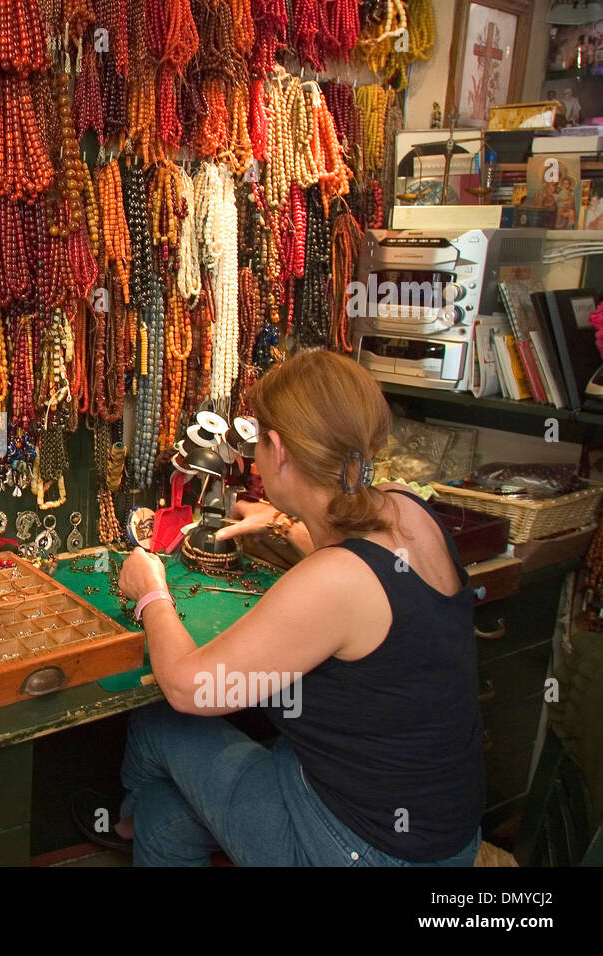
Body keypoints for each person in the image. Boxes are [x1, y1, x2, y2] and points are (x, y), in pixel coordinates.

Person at [114, 350, 485, 866]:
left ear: (280, 450)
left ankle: (122, 821)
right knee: (165, 812)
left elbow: (189, 687)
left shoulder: (335, 581)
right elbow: (367, 562)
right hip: (444, 838)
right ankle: (137, 821)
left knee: (160, 723)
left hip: (366, 849)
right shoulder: (407, 508)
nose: (253, 461)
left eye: (259, 443)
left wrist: (151, 588)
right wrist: (283, 521)